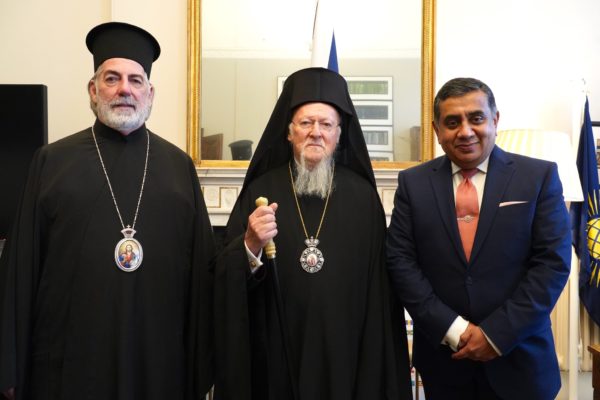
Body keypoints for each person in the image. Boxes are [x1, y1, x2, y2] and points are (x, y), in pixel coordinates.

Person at [0, 22, 215, 400]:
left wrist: (201, 365)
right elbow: (20, 269)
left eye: (135, 80)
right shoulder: (51, 162)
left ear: (150, 93)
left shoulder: (179, 167)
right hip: (69, 361)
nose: (124, 89)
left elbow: (201, 275)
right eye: (112, 78)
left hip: (157, 362)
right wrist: (9, 365)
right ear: (93, 89)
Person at [213, 67, 412, 400]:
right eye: (306, 123)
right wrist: (250, 244)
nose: (316, 133)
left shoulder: (363, 197)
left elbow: (380, 292)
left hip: (346, 355)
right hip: (275, 352)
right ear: (289, 132)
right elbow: (224, 275)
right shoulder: (261, 190)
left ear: (339, 134)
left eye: (326, 124)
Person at [386, 77, 571, 400]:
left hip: (521, 360)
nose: (465, 131)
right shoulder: (413, 184)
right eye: (452, 122)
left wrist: (495, 335)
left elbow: (551, 265)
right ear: (437, 130)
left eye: (476, 118)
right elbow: (401, 262)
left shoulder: (538, 177)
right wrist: (454, 330)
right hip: (446, 364)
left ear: (495, 120)